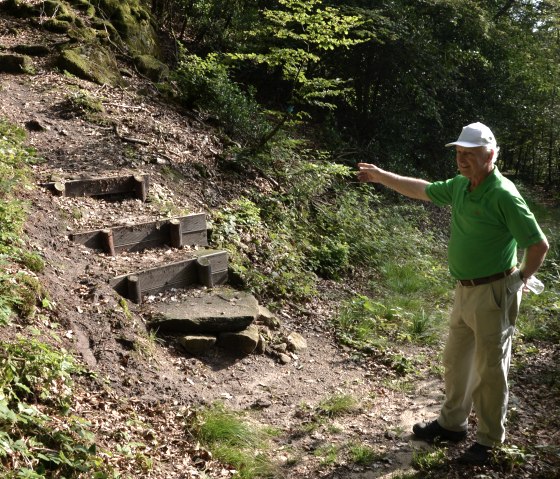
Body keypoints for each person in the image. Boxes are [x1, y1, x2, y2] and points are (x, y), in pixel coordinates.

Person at [357, 122, 549, 466]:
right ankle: (452, 425)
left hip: (494, 291)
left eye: (470, 155)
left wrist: (520, 278)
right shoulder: (462, 186)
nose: (462, 161)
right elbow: (423, 189)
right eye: (460, 154)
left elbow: (537, 244)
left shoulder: (503, 194)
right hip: (464, 290)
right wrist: (382, 176)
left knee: (491, 370)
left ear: (489, 155)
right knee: (456, 360)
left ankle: (490, 441)